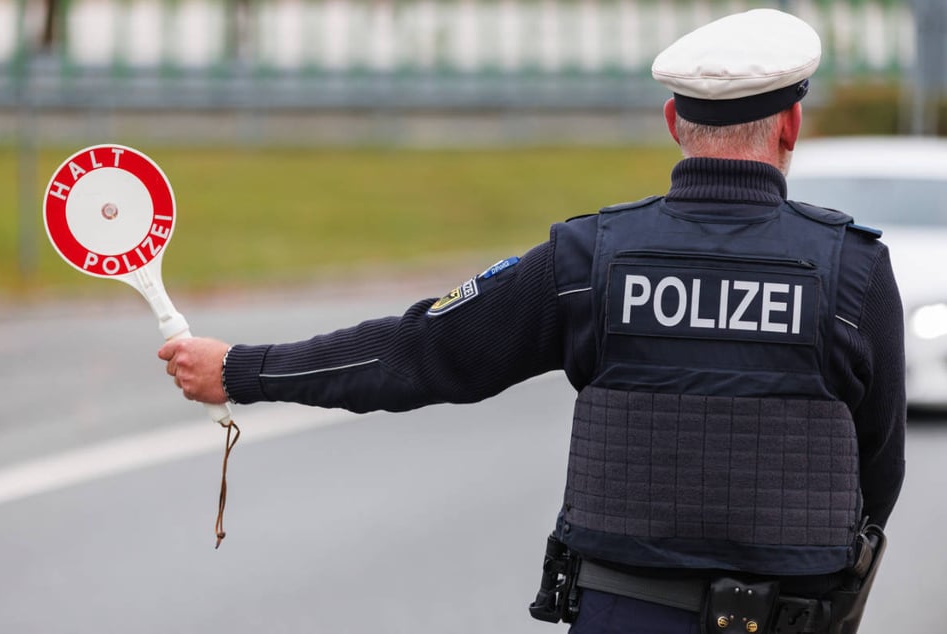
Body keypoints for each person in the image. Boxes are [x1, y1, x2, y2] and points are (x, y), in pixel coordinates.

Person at [159, 8, 905, 634]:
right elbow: (879, 466)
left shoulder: (587, 259)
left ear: (673, 120)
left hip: (623, 613)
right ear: (792, 125)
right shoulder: (855, 271)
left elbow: (421, 353)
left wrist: (239, 368)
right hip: (792, 615)